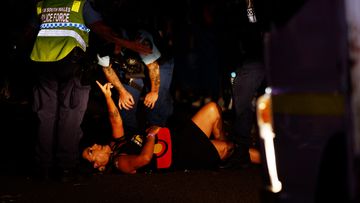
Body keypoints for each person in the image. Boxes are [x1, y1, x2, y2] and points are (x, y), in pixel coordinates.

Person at [30, 0, 152, 181]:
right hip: (70, 62)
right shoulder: (79, 3)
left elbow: (28, 32)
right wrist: (128, 44)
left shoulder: (42, 3)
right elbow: (101, 29)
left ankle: (43, 168)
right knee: (70, 114)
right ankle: (66, 168)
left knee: (45, 116)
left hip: (41, 62)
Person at [82, 81, 236, 174]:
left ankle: (221, 158)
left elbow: (115, 120)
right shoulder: (119, 162)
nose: (94, 145)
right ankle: (223, 156)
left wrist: (108, 97)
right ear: (98, 166)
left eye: (90, 146)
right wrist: (151, 136)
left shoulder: (116, 144)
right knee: (229, 148)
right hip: (181, 154)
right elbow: (144, 159)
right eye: (91, 151)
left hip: (177, 138)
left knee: (213, 108)